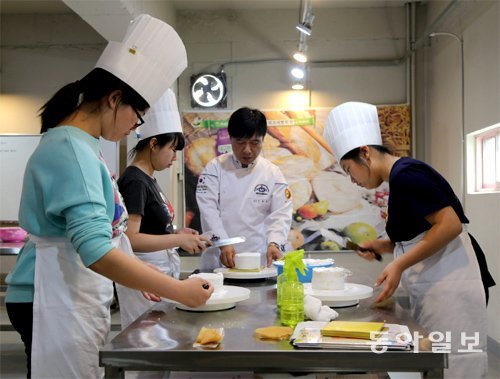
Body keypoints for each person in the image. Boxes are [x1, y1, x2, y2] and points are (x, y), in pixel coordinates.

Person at [4, 14, 213, 379]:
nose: (136, 126)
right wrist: (177, 290)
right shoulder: (70, 148)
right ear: (115, 99)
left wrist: (145, 282)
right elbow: (96, 250)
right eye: (138, 116)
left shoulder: (83, 145)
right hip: (52, 295)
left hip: (71, 290)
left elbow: (109, 235)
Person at [323, 101, 492, 378]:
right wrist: (384, 245)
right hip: (441, 282)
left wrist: (399, 266)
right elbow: (421, 233)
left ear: (364, 153)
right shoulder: (399, 178)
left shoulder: (406, 174)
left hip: (454, 284)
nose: (351, 179)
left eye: (347, 168)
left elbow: (449, 225)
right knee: (440, 361)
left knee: (458, 362)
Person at [116, 88, 211, 328]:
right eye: (172, 149)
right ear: (154, 144)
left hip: (159, 270)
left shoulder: (148, 178)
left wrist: (177, 234)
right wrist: (176, 241)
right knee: (146, 340)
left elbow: (153, 229)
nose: (174, 158)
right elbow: (132, 240)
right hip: (143, 273)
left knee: (161, 338)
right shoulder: (135, 181)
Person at [196, 107, 293, 271]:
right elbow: (208, 210)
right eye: (240, 142)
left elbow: (281, 214)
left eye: (255, 142)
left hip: (260, 259)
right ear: (230, 139)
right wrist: (223, 242)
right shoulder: (214, 169)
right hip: (220, 258)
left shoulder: (272, 173)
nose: (247, 150)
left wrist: (274, 243)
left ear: (263, 140)